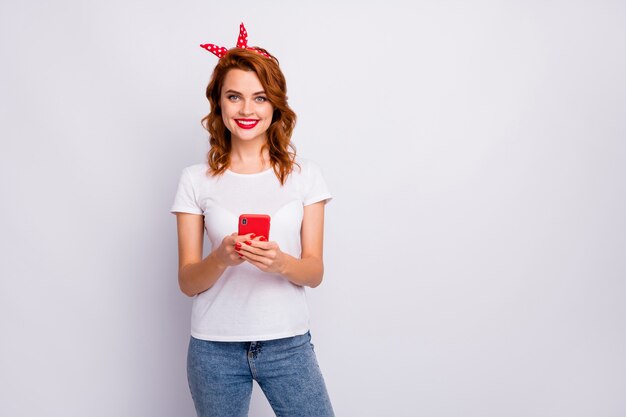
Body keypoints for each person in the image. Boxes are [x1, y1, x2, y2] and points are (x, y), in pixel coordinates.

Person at [169, 23, 335, 417]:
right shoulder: (195, 179)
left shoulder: (305, 175)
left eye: (259, 98)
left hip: (288, 344)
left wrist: (280, 263)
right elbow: (187, 281)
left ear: (275, 104)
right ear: (219, 104)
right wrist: (221, 259)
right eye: (234, 97)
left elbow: (314, 271)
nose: (247, 110)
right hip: (213, 349)